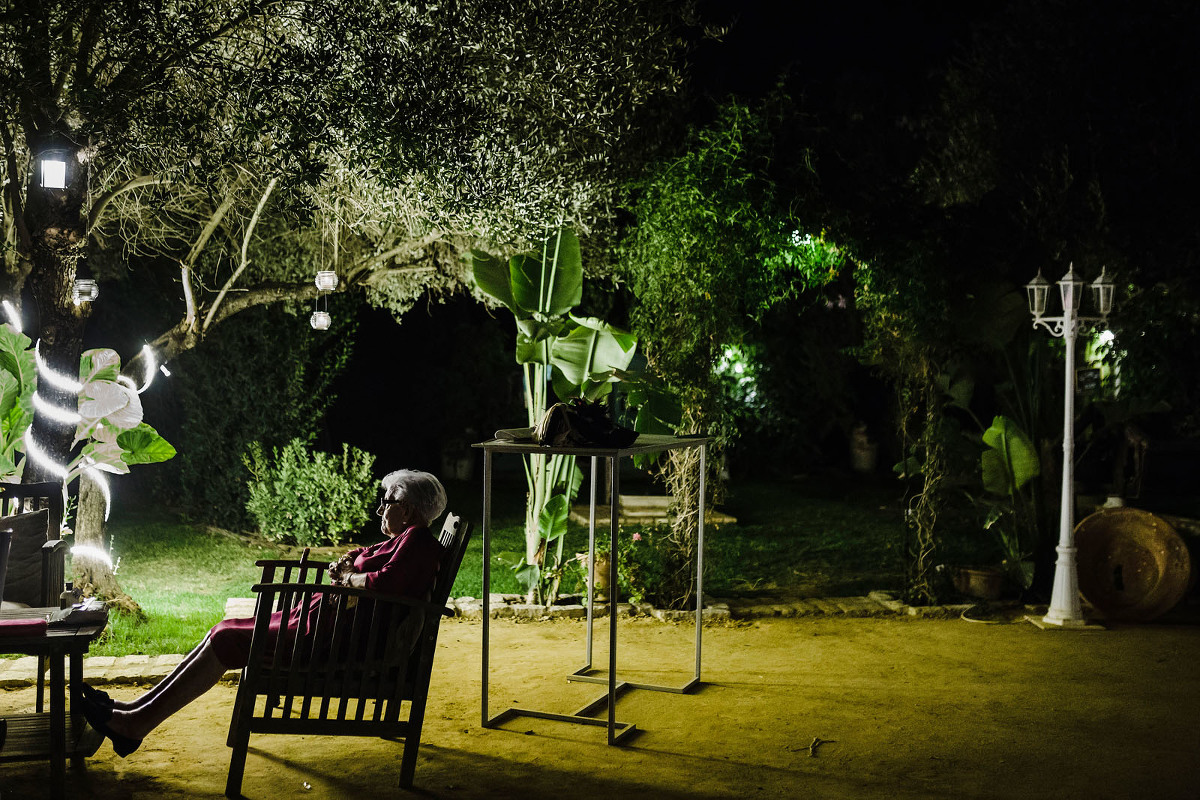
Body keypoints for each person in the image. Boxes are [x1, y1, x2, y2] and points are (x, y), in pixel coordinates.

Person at [79, 469, 447, 758]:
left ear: (410, 509)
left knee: (227, 637)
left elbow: (386, 582)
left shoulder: (418, 541)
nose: (381, 508)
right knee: (222, 628)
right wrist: (351, 562)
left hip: (333, 640)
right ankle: (133, 710)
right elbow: (372, 558)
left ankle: (135, 726)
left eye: (389, 501)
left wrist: (350, 576)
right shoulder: (404, 538)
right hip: (323, 623)